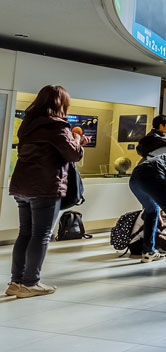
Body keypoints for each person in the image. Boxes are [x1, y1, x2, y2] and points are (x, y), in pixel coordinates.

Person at [7, 85, 87, 298]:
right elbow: (73, 155)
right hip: (45, 186)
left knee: (25, 233)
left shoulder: (27, 125)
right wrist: (79, 140)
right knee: (41, 235)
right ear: (61, 104)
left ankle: (16, 281)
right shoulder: (57, 126)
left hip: (22, 185)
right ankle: (31, 282)